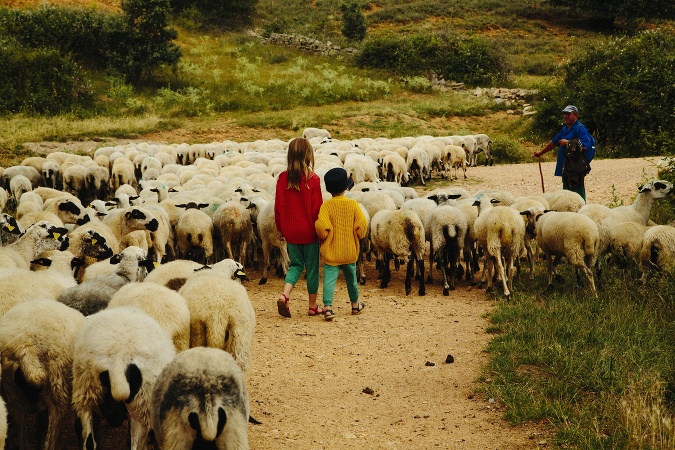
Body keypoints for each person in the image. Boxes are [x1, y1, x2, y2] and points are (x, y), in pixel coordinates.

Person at [274, 137, 324, 318]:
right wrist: (320, 231)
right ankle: (312, 306)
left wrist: (280, 228)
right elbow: (316, 209)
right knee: (312, 268)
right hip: (309, 232)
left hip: (290, 230)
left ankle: (285, 294)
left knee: (295, 265)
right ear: (308, 155)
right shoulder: (313, 180)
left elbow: (278, 206)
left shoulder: (281, 178)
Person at [314, 167, 368, 321]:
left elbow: (321, 227)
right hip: (349, 251)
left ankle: (328, 308)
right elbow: (362, 225)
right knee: (352, 279)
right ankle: (355, 305)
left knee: (329, 280)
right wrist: (358, 235)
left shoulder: (326, 206)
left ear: (329, 190)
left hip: (332, 252)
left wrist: (326, 235)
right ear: (346, 187)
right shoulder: (353, 205)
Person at [533, 105, 594, 201]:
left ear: (575, 116)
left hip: (575, 166)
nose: (565, 116)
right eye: (565, 114)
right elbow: (554, 142)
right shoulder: (565, 129)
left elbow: (586, 146)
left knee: (577, 192)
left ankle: (581, 212)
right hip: (566, 166)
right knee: (566, 192)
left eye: (568, 114)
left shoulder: (580, 128)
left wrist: (568, 142)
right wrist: (541, 152)